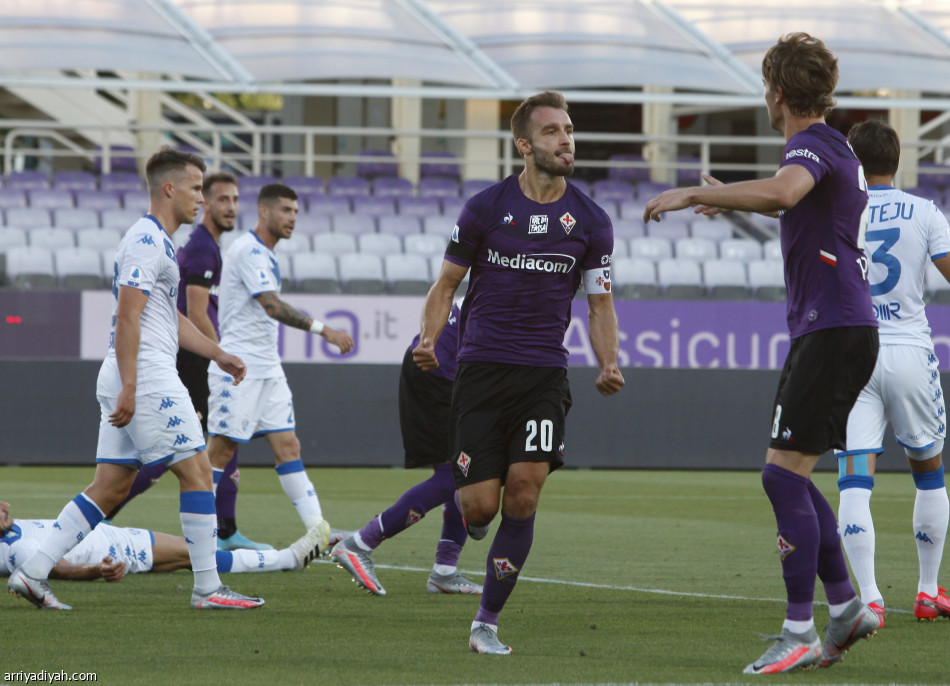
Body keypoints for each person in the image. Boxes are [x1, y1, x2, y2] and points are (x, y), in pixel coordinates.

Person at [644, 33, 880, 673]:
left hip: (832, 327)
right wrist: (728, 195)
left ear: (776, 92)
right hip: (836, 326)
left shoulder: (809, 144)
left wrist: (696, 193)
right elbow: (800, 209)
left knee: (780, 475)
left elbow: (784, 192)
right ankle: (845, 608)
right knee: (795, 475)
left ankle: (799, 629)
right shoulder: (836, 147)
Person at [7, 147, 267, 611]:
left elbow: (167, 318)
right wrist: (130, 385)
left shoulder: (161, 244)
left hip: (134, 374)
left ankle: (31, 573)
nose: (201, 200)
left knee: (109, 487)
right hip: (144, 376)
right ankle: (208, 589)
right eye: (194, 188)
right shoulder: (146, 242)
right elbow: (128, 317)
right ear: (169, 188)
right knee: (199, 471)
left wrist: (219, 353)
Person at [413, 91, 625, 654]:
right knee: (478, 506)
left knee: (524, 495)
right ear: (525, 145)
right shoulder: (485, 209)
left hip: (542, 378)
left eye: (570, 130)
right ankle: (475, 518)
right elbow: (446, 285)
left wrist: (608, 361)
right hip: (480, 371)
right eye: (554, 131)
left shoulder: (592, 221)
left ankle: (486, 622)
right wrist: (430, 339)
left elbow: (599, 305)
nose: (567, 140)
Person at [104, 172, 271, 552]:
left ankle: (226, 529)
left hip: (190, 356)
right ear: (206, 204)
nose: (231, 207)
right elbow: (195, 312)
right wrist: (218, 357)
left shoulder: (204, 245)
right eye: (220, 199)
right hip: (188, 360)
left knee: (221, 436)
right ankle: (106, 515)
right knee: (181, 449)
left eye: (234, 199)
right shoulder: (200, 248)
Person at [835, 119, 950, 626]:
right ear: (897, 160)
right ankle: (927, 592)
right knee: (929, 471)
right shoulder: (926, 211)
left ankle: (872, 598)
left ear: (853, 162)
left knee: (855, 481)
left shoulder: (839, 206)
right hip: (908, 349)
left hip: (852, 350)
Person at [206, 183, 354, 539]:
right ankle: (198, 535)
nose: (292, 218)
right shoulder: (248, 250)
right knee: (220, 452)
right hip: (239, 368)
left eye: (296, 212)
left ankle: (319, 531)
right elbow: (271, 306)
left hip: (267, 367)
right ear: (264, 211)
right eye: (285, 210)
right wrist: (324, 330)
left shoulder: (266, 253)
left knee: (288, 446)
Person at [330, 298, 483, 596]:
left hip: (438, 373)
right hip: (439, 378)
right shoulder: (511, 295)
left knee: (462, 472)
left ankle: (444, 573)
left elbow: (438, 300)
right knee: (452, 476)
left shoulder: (498, 283)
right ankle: (360, 543)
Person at [0, 500, 325, 581]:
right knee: (199, 555)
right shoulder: (17, 550)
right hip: (123, 549)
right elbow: (57, 568)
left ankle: (288, 559)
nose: (6, 506)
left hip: (116, 536)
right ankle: (289, 559)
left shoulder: (9, 533)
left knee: (198, 553)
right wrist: (97, 570)